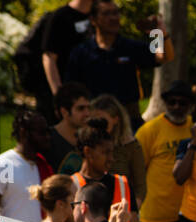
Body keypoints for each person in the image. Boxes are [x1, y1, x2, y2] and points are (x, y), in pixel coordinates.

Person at [65, 0, 170, 130]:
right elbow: (71, 91)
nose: (113, 18)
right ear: (93, 19)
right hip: (94, 125)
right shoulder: (81, 52)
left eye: (116, 13)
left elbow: (161, 57)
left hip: (130, 124)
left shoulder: (129, 47)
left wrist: (158, 33)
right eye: (107, 14)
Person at [135, 81, 194, 222]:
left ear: (190, 106)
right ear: (166, 103)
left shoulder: (194, 130)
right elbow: (137, 168)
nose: (177, 107)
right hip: (156, 208)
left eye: (182, 103)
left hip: (187, 208)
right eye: (172, 102)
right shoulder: (150, 130)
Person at [0, 110, 51, 222]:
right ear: (24, 132)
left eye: (48, 131)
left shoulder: (42, 165)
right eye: (42, 132)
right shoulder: (5, 166)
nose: (47, 137)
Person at [69, 117, 136, 222]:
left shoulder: (122, 183)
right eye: (105, 153)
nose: (111, 159)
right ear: (88, 152)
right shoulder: (71, 186)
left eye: (112, 152)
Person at [91, 95, 146, 208]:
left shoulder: (130, 146)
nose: (99, 125)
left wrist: (131, 212)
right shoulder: (88, 145)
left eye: (103, 121)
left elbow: (140, 187)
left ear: (116, 119)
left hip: (122, 207)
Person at [45, 82, 91, 173]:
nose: (87, 114)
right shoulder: (47, 140)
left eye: (88, 108)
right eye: (80, 109)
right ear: (64, 112)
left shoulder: (88, 140)